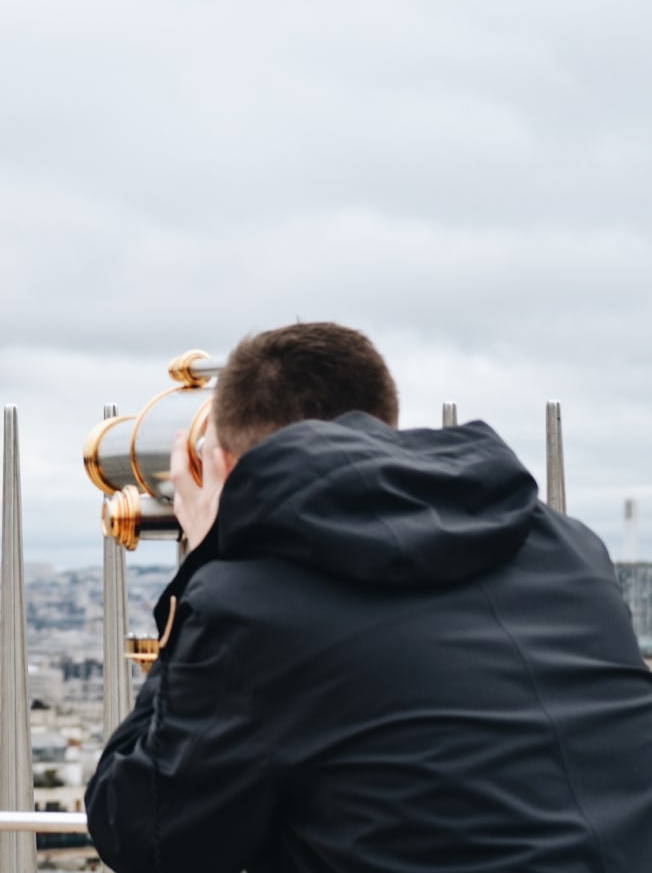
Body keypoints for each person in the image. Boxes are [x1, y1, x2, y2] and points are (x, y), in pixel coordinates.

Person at [84, 321, 652, 872]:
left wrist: (211, 555)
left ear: (221, 466)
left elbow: (140, 833)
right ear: (385, 425)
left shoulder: (251, 604)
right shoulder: (573, 548)